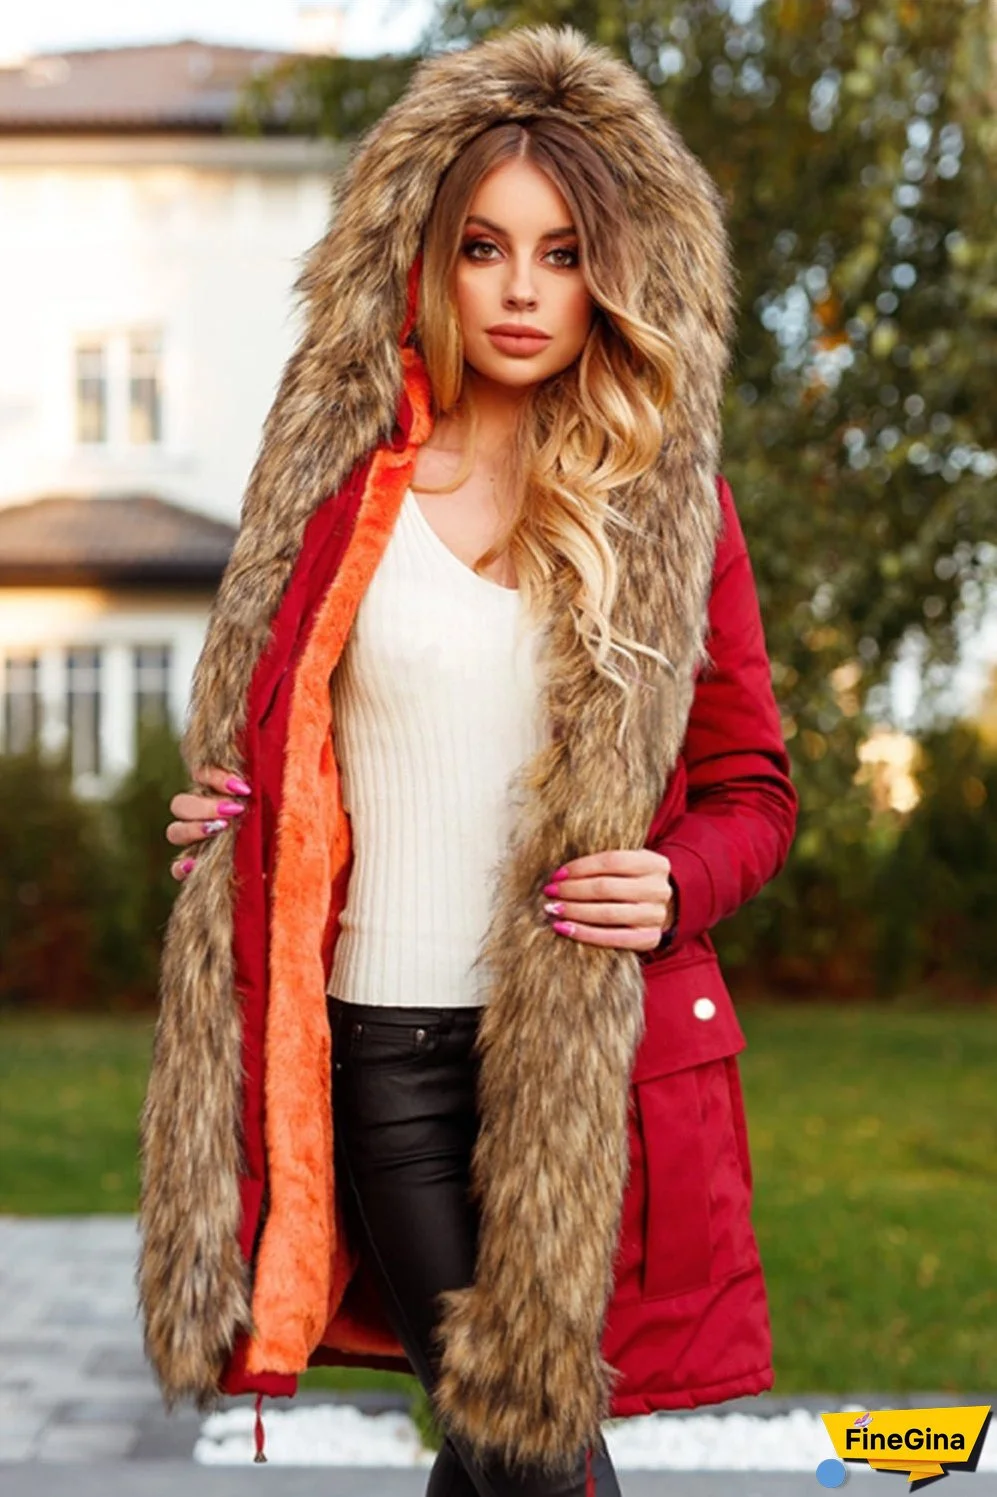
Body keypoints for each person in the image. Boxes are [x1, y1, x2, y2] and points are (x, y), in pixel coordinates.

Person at [138, 24, 798, 1497]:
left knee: (501, 1458)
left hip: (584, 1064)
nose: (518, 289)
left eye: (561, 255)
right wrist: (231, 818)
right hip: (385, 1045)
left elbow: (754, 789)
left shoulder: (668, 510)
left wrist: (677, 882)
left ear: (608, 276)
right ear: (429, 262)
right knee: (529, 1449)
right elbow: (276, 740)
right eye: (485, 248)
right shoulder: (338, 490)